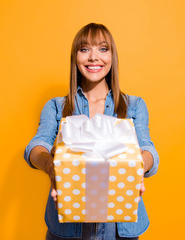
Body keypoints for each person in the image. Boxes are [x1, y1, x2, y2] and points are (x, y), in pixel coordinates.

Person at [24, 23, 159, 240]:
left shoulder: (133, 105)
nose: (93, 57)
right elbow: (36, 146)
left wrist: (137, 167)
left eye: (103, 49)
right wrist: (50, 166)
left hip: (119, 229)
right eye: (84, 49)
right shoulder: (57, 106)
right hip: (68, 228)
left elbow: (148, 149)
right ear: (75, 57)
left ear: (112, 57)